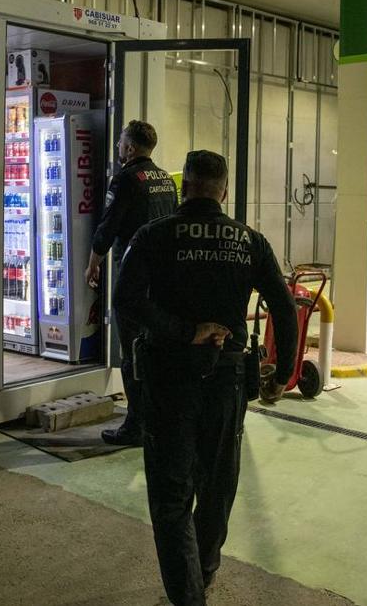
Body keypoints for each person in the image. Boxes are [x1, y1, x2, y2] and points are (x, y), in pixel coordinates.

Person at [113, 150, 297, 606]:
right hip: (227, 379)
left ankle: (188, 594)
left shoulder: (154, 235)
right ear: (225, 191)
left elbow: (126, 300)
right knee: (217, 485)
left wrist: (182, 332)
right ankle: (206, 570)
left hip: (168, 378)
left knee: (171, 494)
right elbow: (284, 307)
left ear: (184, 186)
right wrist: (282, 374)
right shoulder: (249, 241)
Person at [88, 120, 178, 447]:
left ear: (129, 148)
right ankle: (158, 419)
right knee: (155, 350)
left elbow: (108, 226)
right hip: (164, 281)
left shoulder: (125, 179)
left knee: (132, 353)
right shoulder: (166, 180)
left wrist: (92, 263)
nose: (117, 147)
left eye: (121, 142)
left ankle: (135, 425)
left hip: (134, 279)